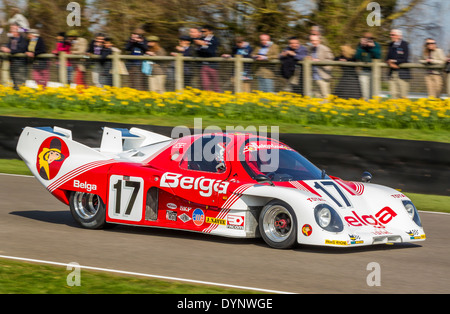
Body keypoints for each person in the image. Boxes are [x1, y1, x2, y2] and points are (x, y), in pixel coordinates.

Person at [354, 32, 381, 99]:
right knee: (364, 89)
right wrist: (361, 46)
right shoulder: (360, 46)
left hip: (374, 72)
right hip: (363, 71)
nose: (368, 40)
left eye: (370, 39)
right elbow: (356, 57)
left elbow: (378, 56)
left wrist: (372, 47)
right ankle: (366, 103)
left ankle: (374, 104)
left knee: (374, 89)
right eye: (366, 39)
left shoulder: (376, 45)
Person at [1, 24, 29, 89]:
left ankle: (21, 94)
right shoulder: (11, 39)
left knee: (20, 81)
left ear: (18, 30)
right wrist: (3, 48)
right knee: (14, 80)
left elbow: (22, 49)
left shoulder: (23, 39)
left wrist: (10, 50)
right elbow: (7, 47)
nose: (11, 30)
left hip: (21, 63)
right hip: (13, 62)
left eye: (13, 29)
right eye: (11, 29)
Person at [194, 25, 220, 92]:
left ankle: (218, 98)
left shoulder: (215, 40)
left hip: (212, 66)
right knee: (205, 85)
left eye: (204, 31)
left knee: (215, 84)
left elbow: (211, 52)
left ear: (210, 31)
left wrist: (203, 45)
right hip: (203, 65)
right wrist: (199, 45)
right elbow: (199, 52)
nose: (203, 33)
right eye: (202, 31)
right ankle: (207, 98)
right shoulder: (202, 39)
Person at [386, 29, 411, 99]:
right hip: (392, 74)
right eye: (390, 35)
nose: (391, 36)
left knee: (402, 95)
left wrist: (394, 62)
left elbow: (405, 58)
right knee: (393, 95)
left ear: (399, 36)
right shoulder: (390, 45)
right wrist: (390, 63)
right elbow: (387, 57)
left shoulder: (405, 44)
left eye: (393, 35)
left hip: (402, 74)